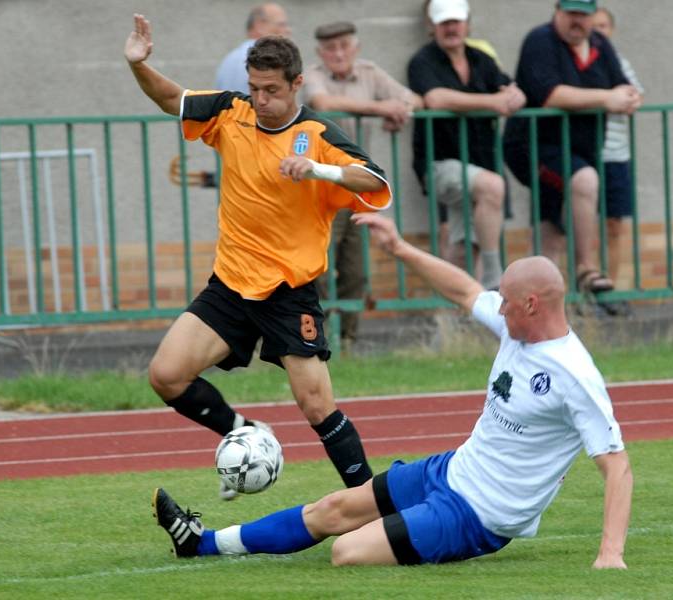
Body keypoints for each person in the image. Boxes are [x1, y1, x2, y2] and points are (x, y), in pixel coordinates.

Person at [150, 212, 633, 569]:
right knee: (333, 508)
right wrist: (399, 247)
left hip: (478, 516)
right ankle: (201, 542)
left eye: (506, 301)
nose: (498, 308)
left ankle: (406, 529)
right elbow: (465, 291)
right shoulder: (515, 328)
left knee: (346, 551)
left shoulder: (573, 374)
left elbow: (617, 467)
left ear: (531, 304)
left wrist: (610, 554)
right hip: (451, 469)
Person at [125, 15, 392, 499]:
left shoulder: (319, 134)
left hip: (289, 293)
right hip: (230, 284)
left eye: (271, 90)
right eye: (254, 88)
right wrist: (139, 65)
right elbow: (173, 99)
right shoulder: (232, 112)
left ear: (296, 83)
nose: (261, 100)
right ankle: (245, 430)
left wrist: (318, 171)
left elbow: (377, 183)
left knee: (317, 408)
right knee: (166, 376)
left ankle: (370, 501)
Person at [503, 0, 642, 294]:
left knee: (550, 229)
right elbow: (551, 94)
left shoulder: (600, 44)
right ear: (557, 12)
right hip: (533, 147)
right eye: (571, 14)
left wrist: (629, 97)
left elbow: (624, 86)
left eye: (583, 14)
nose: (577, 21)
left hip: (581, 150)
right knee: (584, 180)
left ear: (594, 16)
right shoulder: (540, 40)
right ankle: (586, 267)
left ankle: (538, 304)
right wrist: (606, 98)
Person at [303, 21, 423, 349]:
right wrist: (378, 107)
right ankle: (318, 341)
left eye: (344, 46)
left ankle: (349, 341)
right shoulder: (314, 75)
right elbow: (323, 103)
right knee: (320, 269)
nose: (338, 54)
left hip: (359, 189)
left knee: (356, 270)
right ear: (320, 53)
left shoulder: (370, 72)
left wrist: (400, 112)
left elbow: (413, 99)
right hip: (323, 190)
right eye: (330, 48)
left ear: (355, 48)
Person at [408, 0, 526, 290]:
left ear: (467, 23)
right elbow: (436, 98)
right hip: (439, 163)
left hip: (479, 161)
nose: (451, 28)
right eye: (444, 22)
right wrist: (493, 102)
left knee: (463, 246)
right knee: (493, 186)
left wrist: (513, 97)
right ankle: (494, 281)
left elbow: (512, 90)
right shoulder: (422, 60)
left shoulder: (480, 59)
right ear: (431, 26)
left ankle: (451, 321)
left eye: (456, 21)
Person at [592, 7, 643, 314]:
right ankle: (580, 289)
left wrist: (622, 98)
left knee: (614, 224)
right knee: (576, 226)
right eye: (593, 25)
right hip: (584, 154)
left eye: (603, 26)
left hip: (615, 154)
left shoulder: (618, 63)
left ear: (612, 30)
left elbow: (635, 97)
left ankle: (608, 289)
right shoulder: (577, 61)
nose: (598, 31)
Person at [215, 3, 291, 93]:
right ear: (260, 26)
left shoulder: (229, 59)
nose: (288, 30)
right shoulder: (266, 58)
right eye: (281, 24)